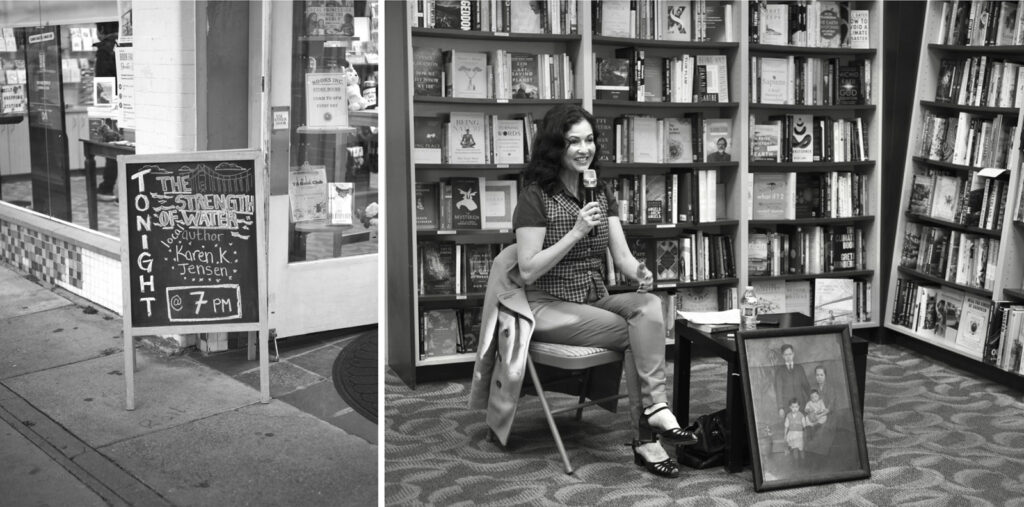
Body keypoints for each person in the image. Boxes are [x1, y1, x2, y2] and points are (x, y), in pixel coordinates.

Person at [512, 103, 695, 478]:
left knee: (648, 306)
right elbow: (528, 270)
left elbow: (624, 257)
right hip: (548, 305)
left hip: (592, 298)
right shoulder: (534, 196)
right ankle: (647, 437)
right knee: (638, 333)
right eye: (574, 141)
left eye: (590, 140)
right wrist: (576, 232)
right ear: (555, 147)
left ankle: (655, 408)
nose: (584, 149)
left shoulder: (600, 190)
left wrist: (641, 274)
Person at [93, 21, 120, 202]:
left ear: (102, 30)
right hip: (127, 105)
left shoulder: (105, 51)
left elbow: (104, 84)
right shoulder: (123, 45)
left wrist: (104, 110)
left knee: (114, 145)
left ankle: (108, 187)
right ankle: (112, 188)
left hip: (113, 107)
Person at [773, 344, 810, 420]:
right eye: (786, 355)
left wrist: (810, 403)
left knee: (803, 427)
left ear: (793, 354)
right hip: (787, 407)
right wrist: (780, 408)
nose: (788, 357)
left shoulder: (800, 368)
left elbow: (807, 387)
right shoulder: (779, 371)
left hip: (801, 405)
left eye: (790, 354)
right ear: (783, 356)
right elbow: (778, 391)